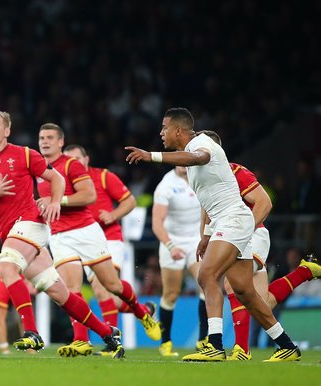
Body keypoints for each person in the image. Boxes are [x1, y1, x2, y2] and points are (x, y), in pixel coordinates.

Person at [125, 107, 301, 362]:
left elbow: (199, 157)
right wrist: (206, 236)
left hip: (234, 220)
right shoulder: (192, 155)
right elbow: (210, 201)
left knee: (207, 274)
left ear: (178, 130)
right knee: (245, 292)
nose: (161, 132)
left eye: (164, 128)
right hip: (227, 221)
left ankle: (214, 344)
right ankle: (286, 346)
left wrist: (151, 156)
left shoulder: (201, 143)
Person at [0, 111, 125, 359]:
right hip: (11, 232)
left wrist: (54, 202)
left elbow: (56, 177)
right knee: (58, 292)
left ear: (7, 130)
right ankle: (108, 334)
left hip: (31, 222)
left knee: (7, 266)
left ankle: (31, 332)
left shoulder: (25, 154)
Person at [37, 123, 160, 357]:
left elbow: (89, 196)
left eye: (50, 137)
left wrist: (58, 201)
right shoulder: (41, 170)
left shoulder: (72, 165)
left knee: (110, 286)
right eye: (42, 137)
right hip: (60, 236)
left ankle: (141, 312)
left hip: (87, 232)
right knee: (71, 289)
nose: (45, 141)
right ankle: (82, 340)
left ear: (60, 142)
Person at [198, 129, 321, 360]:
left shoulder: (235, 172)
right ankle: (303, 272)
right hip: (229, 234)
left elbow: (263, 204)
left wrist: (242, 231)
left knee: (233, 286)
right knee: (259, 302)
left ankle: (241, 350)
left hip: (251, 233)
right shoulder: (205, 177)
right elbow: (207, 210)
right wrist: (204, 236)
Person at [63, 144, 157, 354]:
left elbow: (130, 201)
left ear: (86, 159)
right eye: (69, 160)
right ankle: (142, 311)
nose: (73, 163)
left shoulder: (103, 176)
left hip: (109, 239)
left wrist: (113, 216)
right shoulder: (62, 182)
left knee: (101, 287)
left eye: (77, 158)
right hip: (81, 240)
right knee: (109, 295)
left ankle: (111, 342)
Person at [151, 166, 206, 357]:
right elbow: (157, 223)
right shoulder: (166, 185)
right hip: (172, 241)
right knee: (171, 293)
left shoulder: (200, 177)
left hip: (197, 240)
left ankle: (203, 341)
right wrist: (170, 245)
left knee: (206, 284)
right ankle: (165, 343)